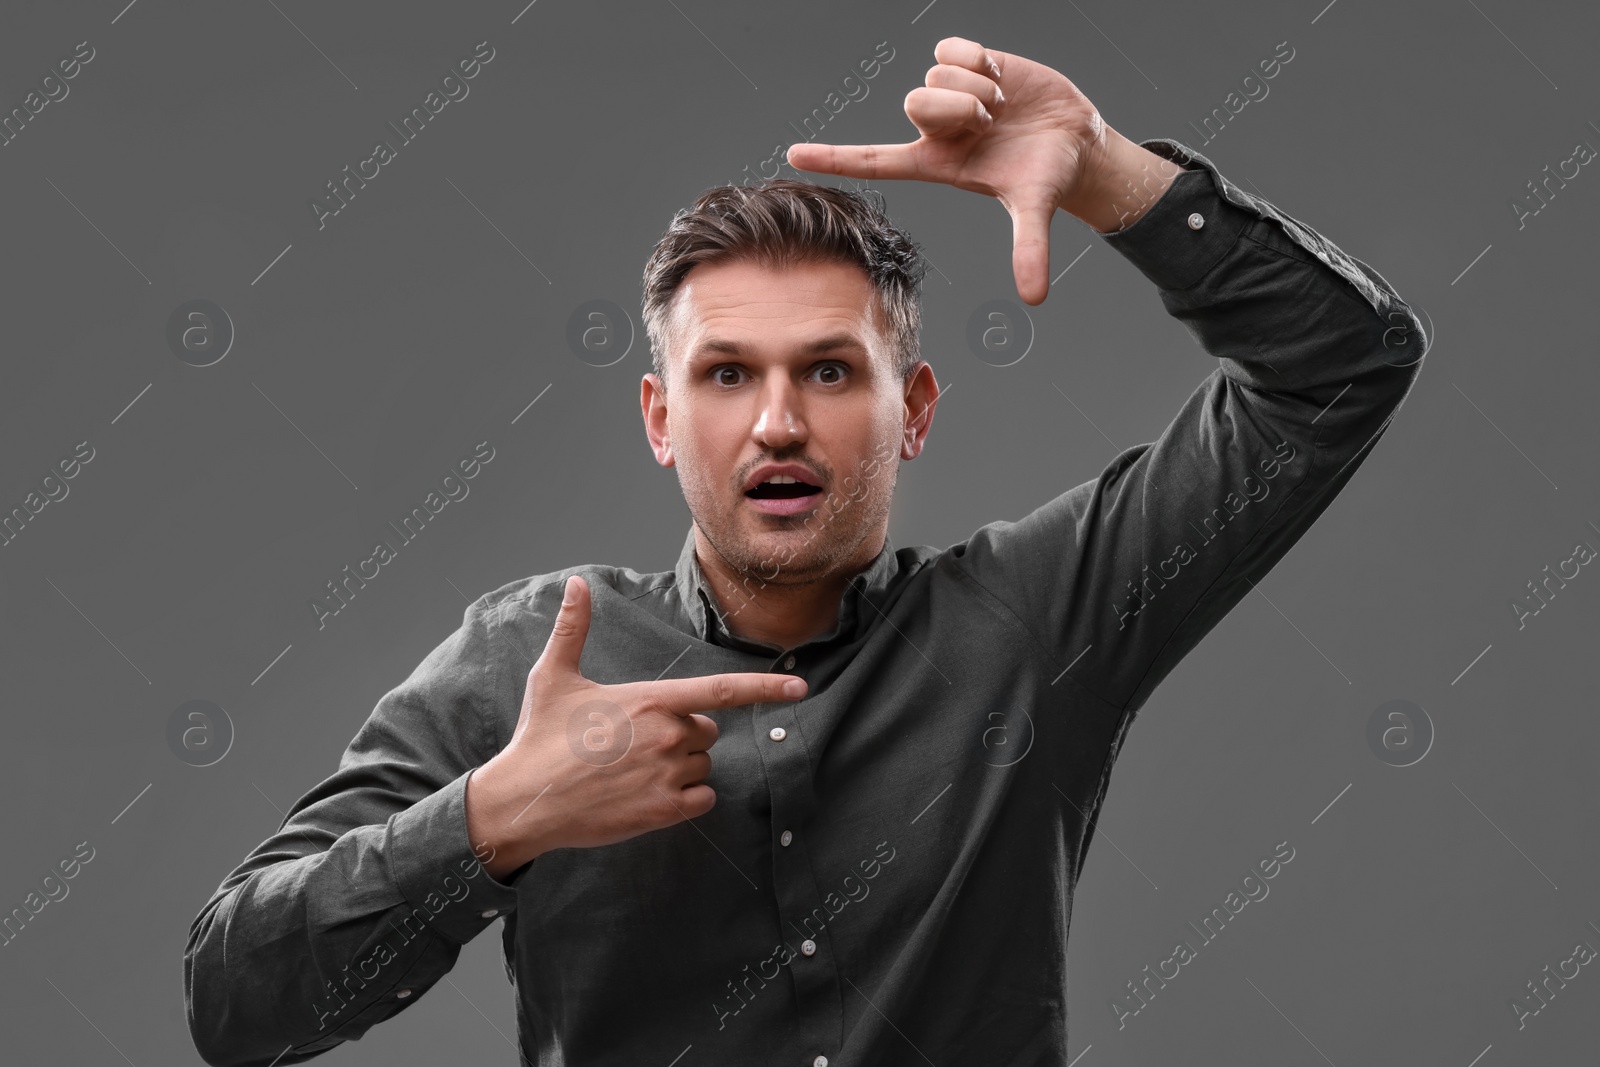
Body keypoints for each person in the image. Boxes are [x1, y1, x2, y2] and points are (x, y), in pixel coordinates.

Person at [186, 36, 1424, 1067]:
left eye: (829, 370)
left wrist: (1106, 174)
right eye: (727, 374)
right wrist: (495, 817)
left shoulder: (1035, 620)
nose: (778, 420)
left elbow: (1340, 367)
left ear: (917, 409)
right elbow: (236, 1003)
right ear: (662, 420)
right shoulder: (528, 659)